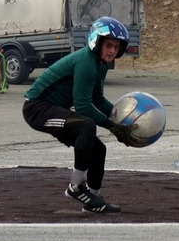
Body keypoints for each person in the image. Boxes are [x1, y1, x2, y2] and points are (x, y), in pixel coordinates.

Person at [22, 16, 136, 214]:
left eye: (116, 47)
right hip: (37, 109)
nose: (112, 50)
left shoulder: (100, 64)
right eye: (108, 45)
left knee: (98, 148)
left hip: (55, 109)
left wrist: (121, 118)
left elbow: (97, 99)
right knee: (87, 125)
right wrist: (112, 126)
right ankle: (76, 187)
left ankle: (92, 198)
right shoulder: (86, 62)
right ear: (96, 41)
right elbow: (83, 106)